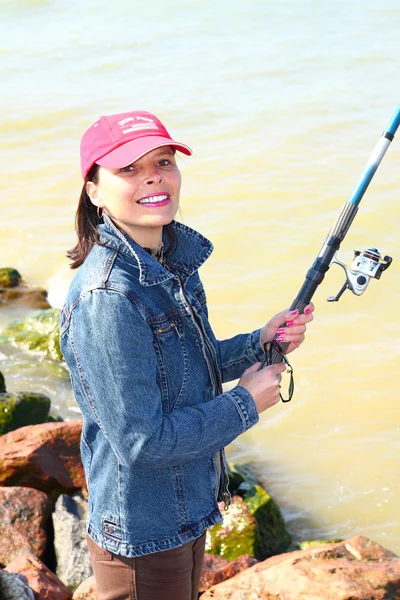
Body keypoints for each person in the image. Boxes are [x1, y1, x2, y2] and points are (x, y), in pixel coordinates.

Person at [60, 110, 314, 600]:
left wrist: (260, 341)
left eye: (163, 161)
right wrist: (245, 404)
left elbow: (187, 371)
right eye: (128, 169)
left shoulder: (167, 259)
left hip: (186, 506)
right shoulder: (107, 299)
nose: (153, 175)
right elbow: (141, 442)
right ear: (93, 190)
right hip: (142, 531)